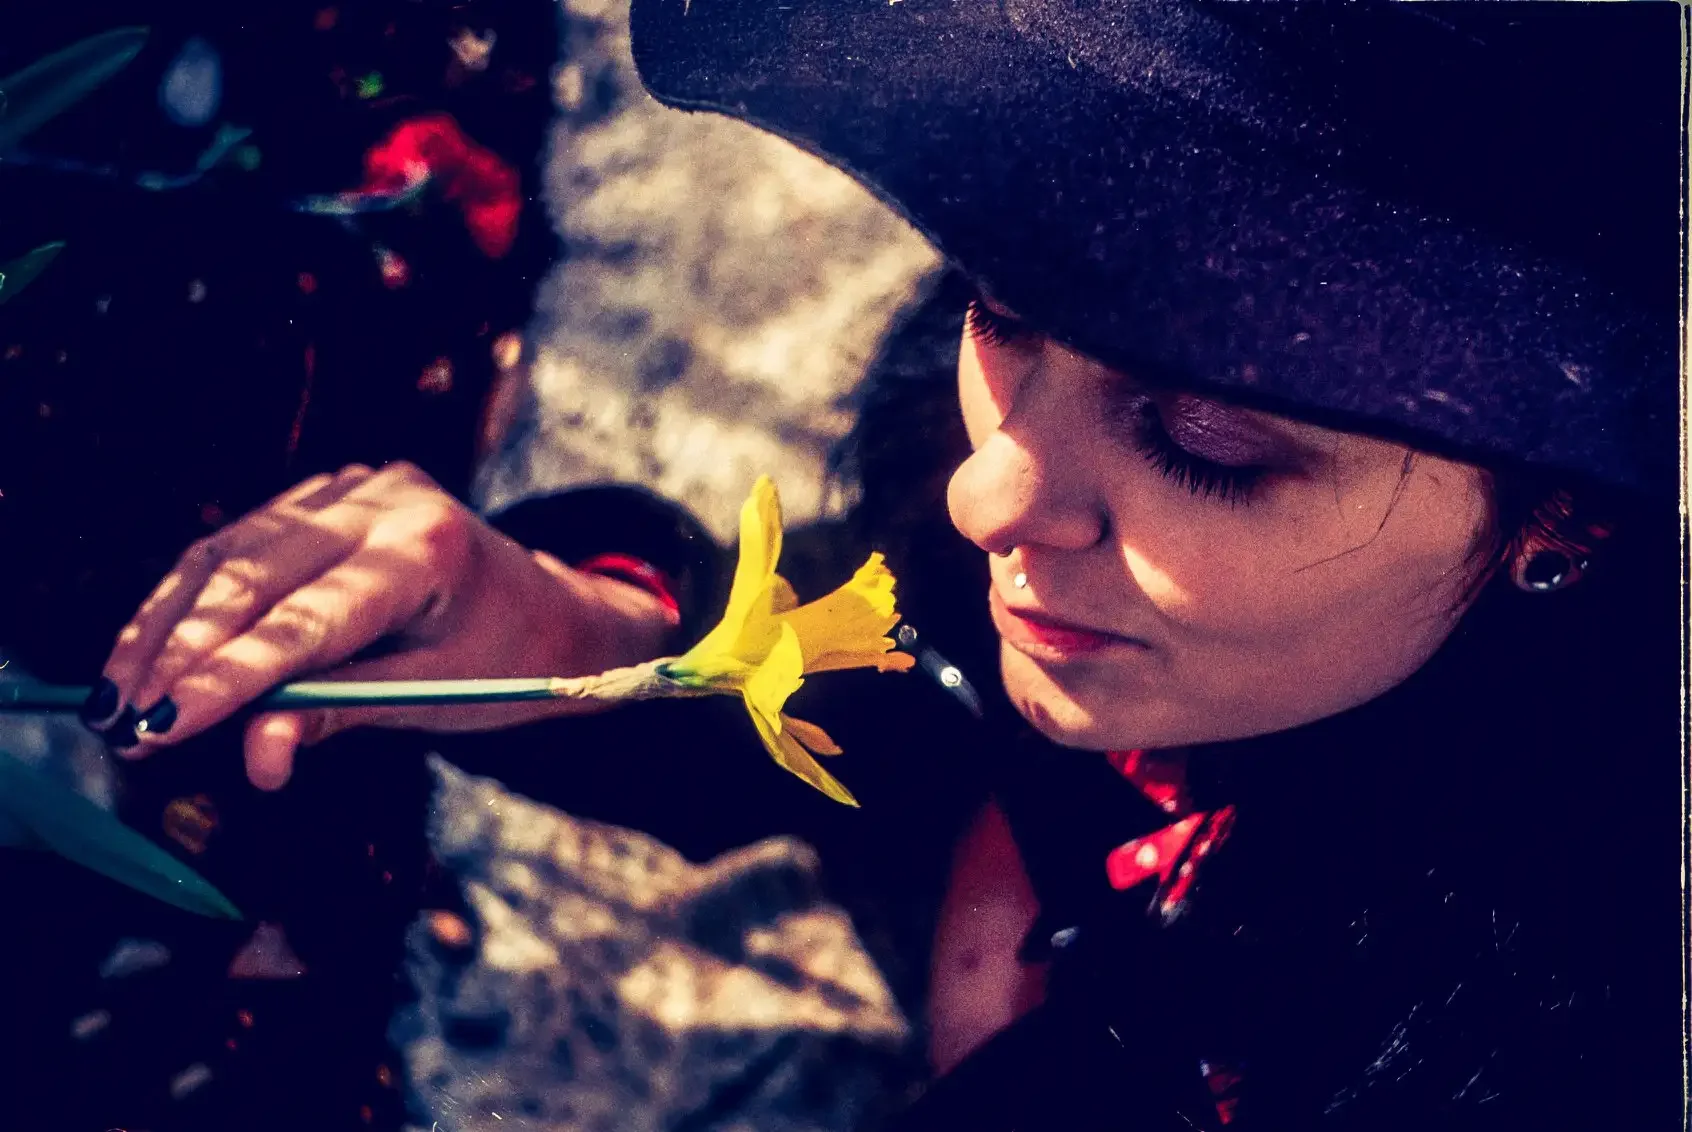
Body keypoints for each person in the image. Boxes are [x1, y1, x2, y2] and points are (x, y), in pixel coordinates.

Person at [77, 2, 1682, 1129]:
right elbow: (908, 672)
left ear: (1568, 518)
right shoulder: (1051, 523)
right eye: (1004, 311)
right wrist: (563, 636)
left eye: (1205, 438)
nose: (993, 492)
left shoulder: (1590, 1010)